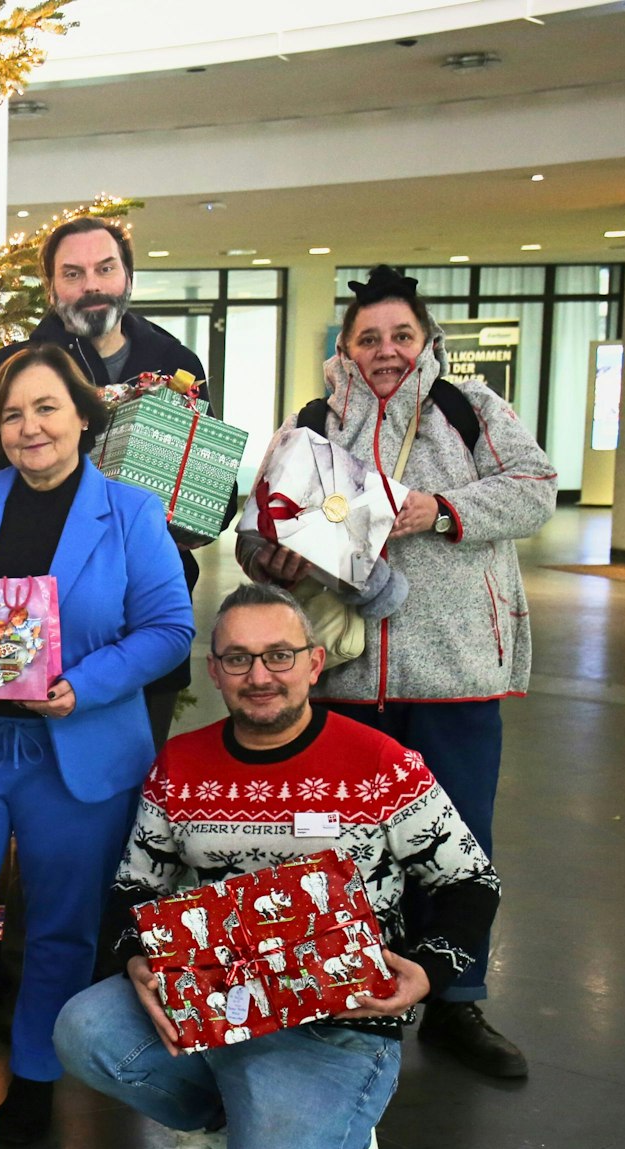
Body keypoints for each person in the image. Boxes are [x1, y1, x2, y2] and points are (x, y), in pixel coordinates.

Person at [54, 582, 501, 1149]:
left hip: (341, 1024)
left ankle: (345, 1128)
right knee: (84, 1026)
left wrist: (429, 972)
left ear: (315, 663)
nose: (259, 676)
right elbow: (131, 885)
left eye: (279, 655)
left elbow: (471, 880)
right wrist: (134, 956)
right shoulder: (181, 764)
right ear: (215, 671)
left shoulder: (379, 764)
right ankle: (217, 1123)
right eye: (237, 658)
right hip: (213, 1010)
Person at [237, 265, 554, 1079]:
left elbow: (536, 490)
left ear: (425, 342)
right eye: (369, 338)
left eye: (401, 336)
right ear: (345, 348)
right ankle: (352, 987)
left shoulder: (470, 410)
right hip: (341, 679)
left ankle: (456, 998)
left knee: (460, 844)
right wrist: (268, 553)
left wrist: (438, 512)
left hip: (452, 673)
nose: (386, 351)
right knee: (342, 848)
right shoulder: (311, 424)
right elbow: (254, 526)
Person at [0, 344, 194, 1144]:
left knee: (63, 920)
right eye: (13, 413)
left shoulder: (131, 512)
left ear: (82, 414)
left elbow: (171, 628)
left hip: (77, 745)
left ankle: (35, 1074)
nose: (31, 427)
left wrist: (84, 685)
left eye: (47, 407)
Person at [0, 216, 209, 749]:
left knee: (122, 790)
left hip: (139, 616)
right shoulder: (10, 368)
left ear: (128, 277)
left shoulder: (178, 363)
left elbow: (207, 485)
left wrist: (193, 516)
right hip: (22, 620)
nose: (91, 285)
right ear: (52, 287)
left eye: (105, 269)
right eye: (73, 273)